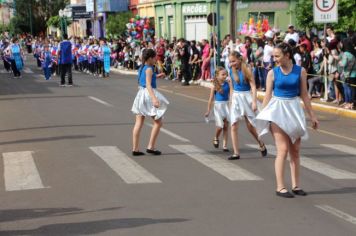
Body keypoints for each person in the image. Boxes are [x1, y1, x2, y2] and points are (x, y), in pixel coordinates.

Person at [256, 42, 319, 198]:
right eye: (274, 56)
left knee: (295, 151)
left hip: (294, 109)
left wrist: (312, 116)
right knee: (282, 149)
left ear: (287, 55)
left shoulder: (301, 71)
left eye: (277, 56)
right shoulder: (272, 73)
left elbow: (304, 94)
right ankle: (280, 187)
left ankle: (296, 186)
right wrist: (262, 116)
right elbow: (268, 95)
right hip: (277, 110)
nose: (275, 59)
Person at [228, 51, 267, 160]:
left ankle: (260, 142)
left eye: (233, 61)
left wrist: (254, 102)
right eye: (230, 62)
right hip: (236, 98)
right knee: (233, 125)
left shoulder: (247, 69)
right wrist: (230, 101)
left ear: (239, 59)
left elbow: (253, 87)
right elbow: (231, 87)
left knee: (250, 126)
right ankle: (236, 153)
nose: (232, 64)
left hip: (246, 97)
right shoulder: (231, 70)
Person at [131, 49, 169, 156]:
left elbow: (144, 80)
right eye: (155, 57)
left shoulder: (142, 67)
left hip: (140, 94)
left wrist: (157, 76)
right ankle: (151, 146)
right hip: (148, 94)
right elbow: (148, 84)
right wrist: (154, 98)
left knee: (138, 122)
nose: (156, 59)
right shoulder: (149, 68)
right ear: (150, 58)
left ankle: (135, 148)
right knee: (158, 122)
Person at [205, 66, 230, 152]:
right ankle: (216, 137)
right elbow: (211, 99)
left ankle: (225, 145)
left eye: (226, 74)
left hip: (226, 105)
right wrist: (208, 110)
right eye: (222, 74)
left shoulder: (228, 84)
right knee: (220, 126)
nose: (225, 76)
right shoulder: (214, 86)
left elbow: (231, 95)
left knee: (226, 126)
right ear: (217, 75)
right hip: (218, 106)